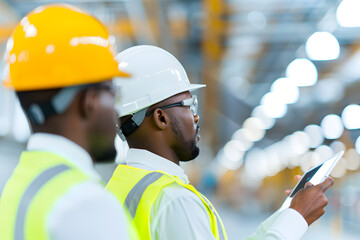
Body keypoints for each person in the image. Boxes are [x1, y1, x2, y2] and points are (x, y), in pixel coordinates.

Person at [106, 45, 334, 240]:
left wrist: (289, 213)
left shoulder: (119, 187)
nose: (195, 116)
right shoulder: (174, 200)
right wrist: (298, 218)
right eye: (188, 105)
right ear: (161, 118)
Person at [0, 4, 137, 240]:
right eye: (113, 94)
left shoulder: (17, 188)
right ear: (90, 101)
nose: (117, 111)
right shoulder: (88, 204)